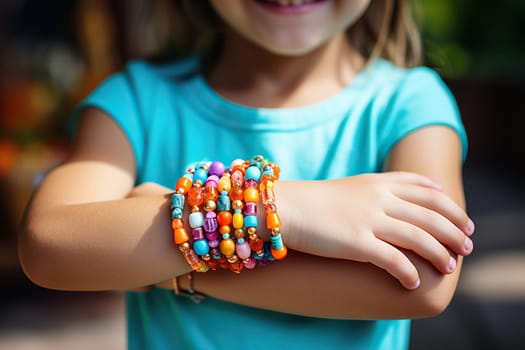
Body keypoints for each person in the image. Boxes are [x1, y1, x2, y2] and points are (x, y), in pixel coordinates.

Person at [19, 0, 475, 349]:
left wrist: (175, 271)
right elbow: (50, 243)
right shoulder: (134, 100)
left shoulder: (411, 103)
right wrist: (283, 209)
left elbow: (424, 281)